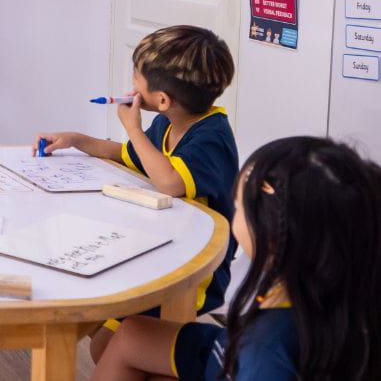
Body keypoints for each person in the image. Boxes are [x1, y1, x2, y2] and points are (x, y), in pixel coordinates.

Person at [92, 136, 381, 381]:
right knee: (130, 334)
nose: (233, 213)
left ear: (271, 238)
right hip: (231, 347)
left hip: (240, 357)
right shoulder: (341, 282)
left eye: (238, 207)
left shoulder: (268, 351)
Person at [36, 25, 238, 359]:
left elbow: (170, 182)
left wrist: (133, 127)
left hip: (194, 271)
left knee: (107, 347)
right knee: (102, 341)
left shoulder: (210, 138)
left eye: (137, 80)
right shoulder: (168, 123)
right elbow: (127, 155)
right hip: (156, 252)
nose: (131, 86)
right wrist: (76, 139)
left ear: (162, 100)